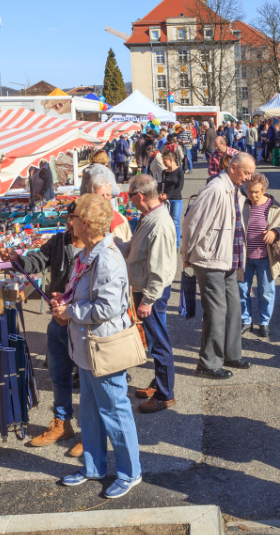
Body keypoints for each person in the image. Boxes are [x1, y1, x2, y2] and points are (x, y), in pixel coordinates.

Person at [54, 194, 141, 498]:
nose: (70, 221)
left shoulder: (105, 257)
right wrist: (64, 300)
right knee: (90, 411)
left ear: (86, 223)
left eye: (74, 216)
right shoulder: (88, 252)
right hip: (86, 348)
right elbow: (81, 292)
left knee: (115, 411)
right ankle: (94, 467)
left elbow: (106, 308)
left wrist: (71, 312)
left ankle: (131, 473)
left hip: (102, 347)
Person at [0, 203, 85, 457]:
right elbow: (38, 259)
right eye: (71, 218)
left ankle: (90, 433)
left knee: (90, 382)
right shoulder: (59, 241)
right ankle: (62, 423)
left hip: (83, 323)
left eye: (76, 218)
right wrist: (17, 260)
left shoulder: (96, 248)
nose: (72, 223)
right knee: (59, 375)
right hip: (57, 320)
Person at [181, 152, 257, 379]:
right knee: (216, 311)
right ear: (233, 168)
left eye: (251, 173)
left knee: (234, 308)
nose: (249, 177)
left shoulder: (234, 188)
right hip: (210, 259)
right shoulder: (215, 189)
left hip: (229, 259)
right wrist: (186, 254)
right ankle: (208, 363)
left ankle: (231, 354)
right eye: (246, 172)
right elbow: (191, 223)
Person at [114, 175, 177, 414]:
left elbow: (159, 267)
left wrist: (148, 300)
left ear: (139, 196)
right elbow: (135, 248)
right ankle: (159, 384)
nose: (128, 201)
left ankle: (165, 394)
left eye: (129, 196)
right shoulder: (149, 217)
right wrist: (114, 246)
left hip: (152, 291)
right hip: (147, 287)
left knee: (159, 343)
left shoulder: (158, 222)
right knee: (155, 339)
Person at [239, 174, 280, 338]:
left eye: (256, 192)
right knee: (242, 290)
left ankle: (264, 322)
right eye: (249, 191)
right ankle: (246, 320)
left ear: (264, 190)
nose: (252, 195)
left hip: (265, 258)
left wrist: (275, 232)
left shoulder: (274, 207)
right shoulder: (243, 205)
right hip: (245, 257)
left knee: (265, 291)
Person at [87, 175, 133, 243]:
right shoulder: (84, 219)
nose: (105, 198)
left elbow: (128, 245)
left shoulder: (121, 219)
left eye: (108, 195)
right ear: (91, 195)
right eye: (101, 195)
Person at [160, 151, 184, 246]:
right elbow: (162, 185)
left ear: (171, 160)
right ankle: (168, 242)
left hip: (176, 199)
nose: (163, 163)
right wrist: (160, 194)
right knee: (166, 222)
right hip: (165, 200)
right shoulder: (163, 172)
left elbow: (180, 187)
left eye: (164, 161)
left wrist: (168, 195)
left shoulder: (179, 171)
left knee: (175, 221)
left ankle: (176, 244)